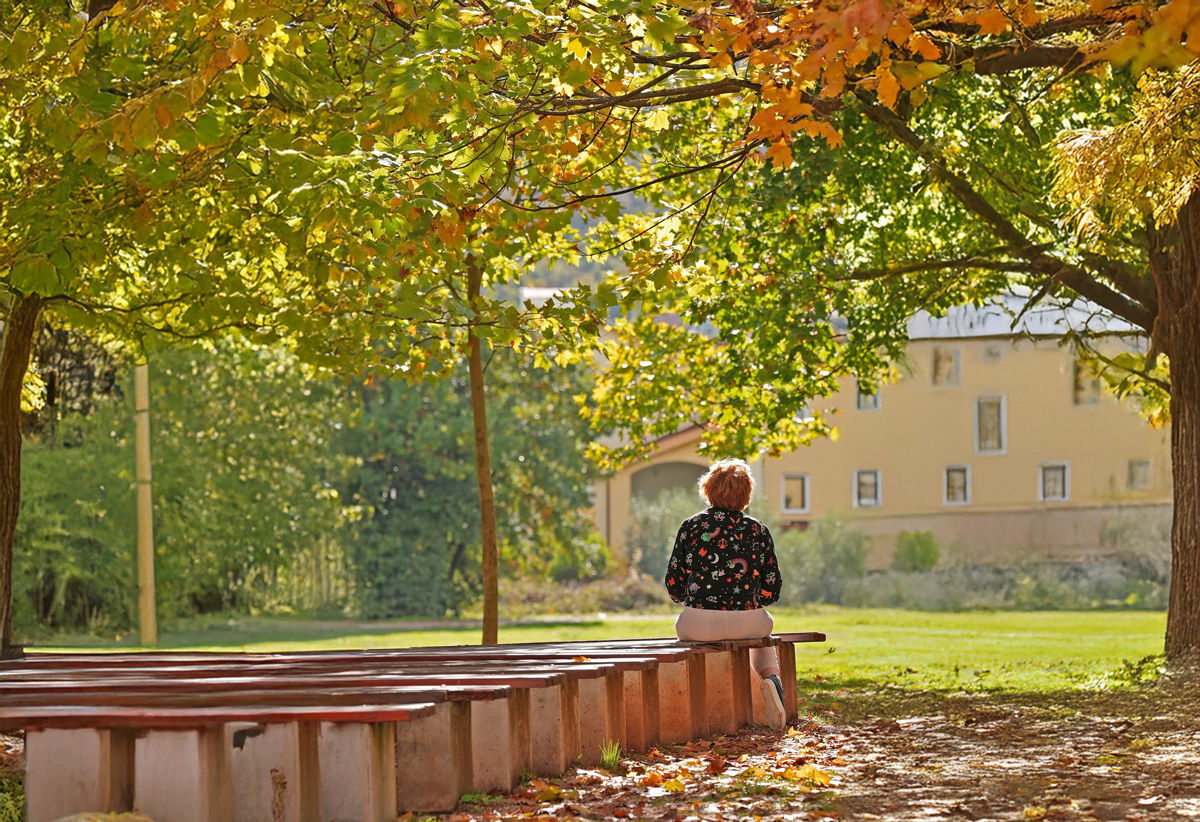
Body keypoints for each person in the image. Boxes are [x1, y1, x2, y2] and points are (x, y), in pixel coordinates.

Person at [664, 458, 787, 730]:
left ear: (708, 490)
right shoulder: (758, 530)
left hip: (699, 623)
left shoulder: (691, 526)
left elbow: (673, 583)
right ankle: (771, 678)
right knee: (763, 637)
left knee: (686, 628)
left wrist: (691, 599)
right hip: (749, 620)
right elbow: (772, 586)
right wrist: (753, 601)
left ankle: (706, 706)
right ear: (746, 494)